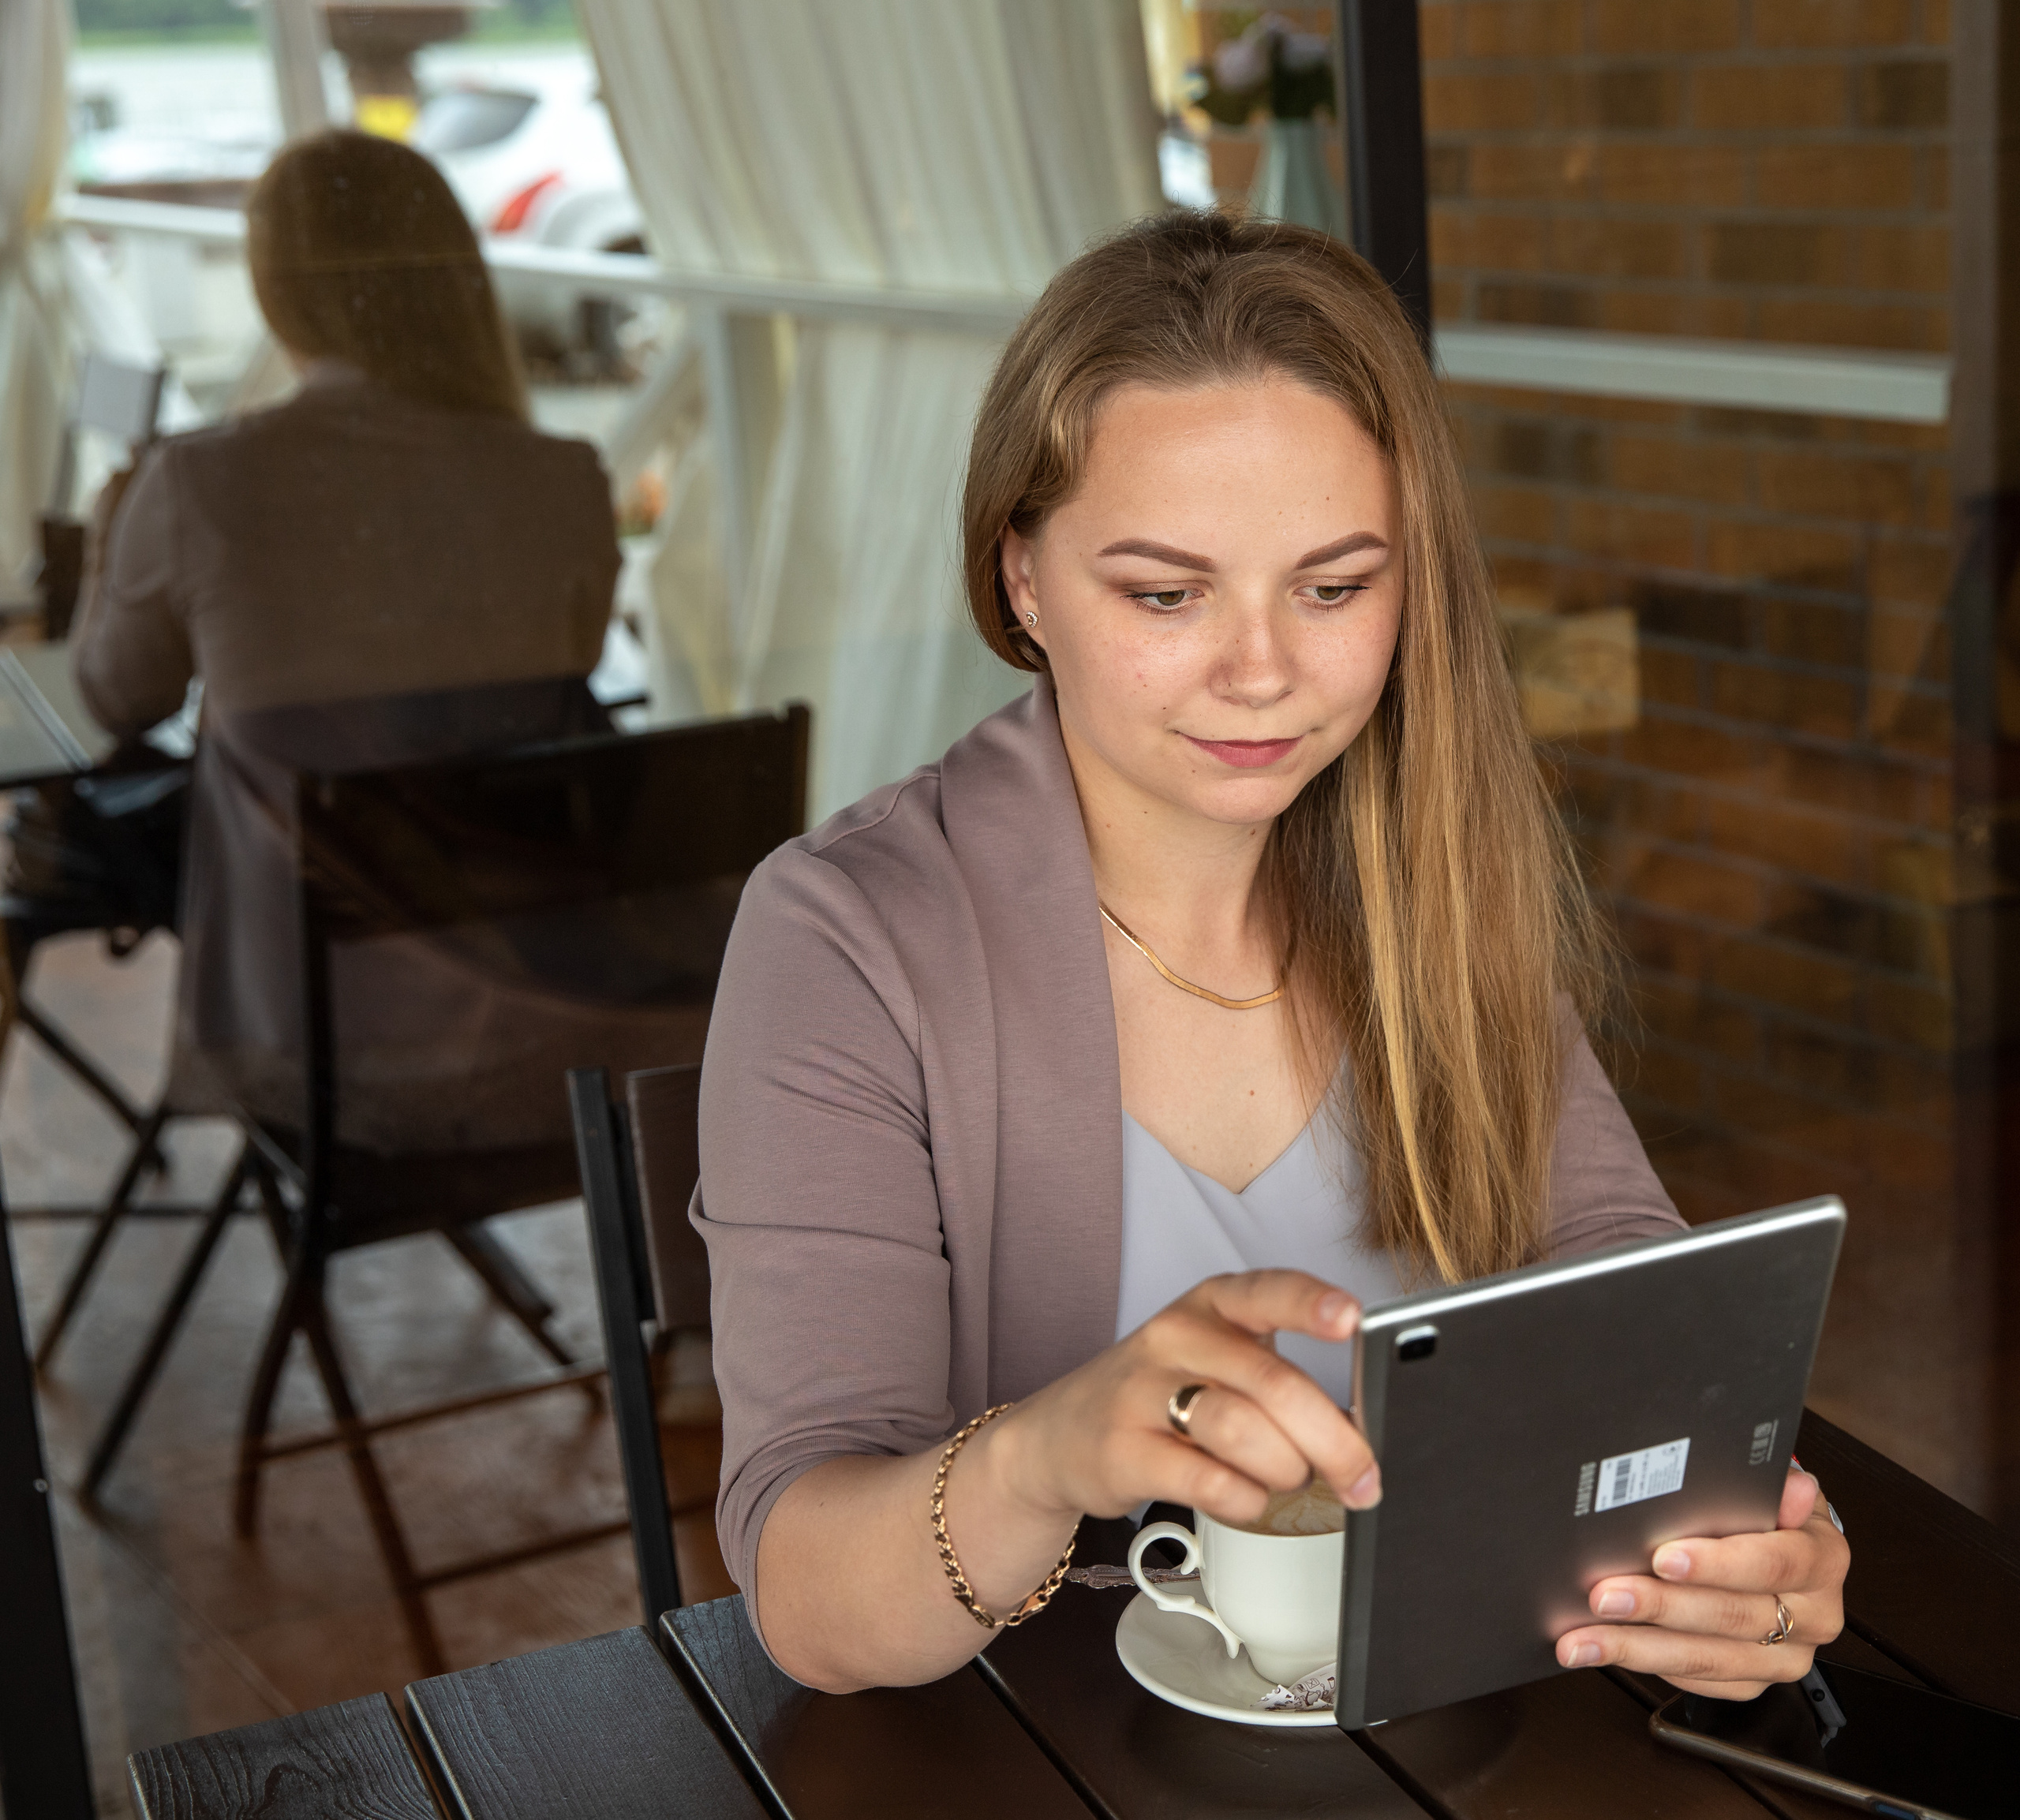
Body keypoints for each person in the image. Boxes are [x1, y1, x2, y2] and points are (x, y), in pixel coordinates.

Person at [694, 213, 1850, 1701]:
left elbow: (1624, 1295)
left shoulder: (1433, 867)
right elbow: (809, 1599)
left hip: (1456, 1709)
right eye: (1166, 595)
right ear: (1025, 580)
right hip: (1054, 1757)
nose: (1263, 671)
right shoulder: (846, 938)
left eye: (1334, 586)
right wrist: (1046, 1452)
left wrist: (1730, 1557)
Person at [65, 129, 645, 1151]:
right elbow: (575, 664)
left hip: (315, 1044)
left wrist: (113, 541)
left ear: (278, 290)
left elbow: (120, 699)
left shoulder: (199, 483)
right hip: (564, 1024)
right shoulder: (562, 478)